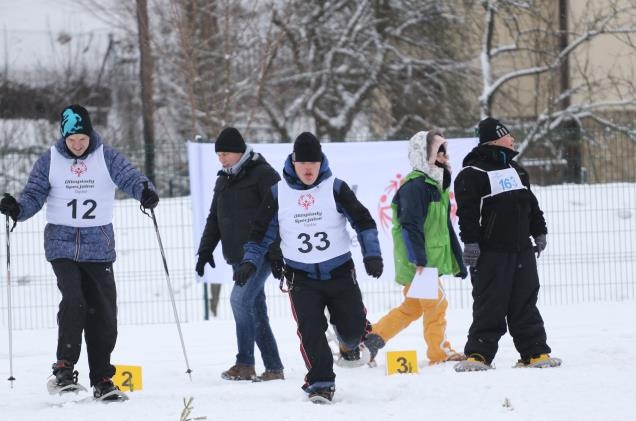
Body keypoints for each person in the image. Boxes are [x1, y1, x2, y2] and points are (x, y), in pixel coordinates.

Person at [0, 104, 159, 399]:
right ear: (63, 136)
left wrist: (145, 193)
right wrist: (17, 209)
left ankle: (102, 378)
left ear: (90, 134)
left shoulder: (106, 156)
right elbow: (33, 194)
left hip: (98, 246)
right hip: (61, 244)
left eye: (82, 139)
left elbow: (131, 177)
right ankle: (64, 368)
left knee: (104, 313)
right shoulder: (50, 160)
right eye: (71, 140)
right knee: (75, 300)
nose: (77, 145)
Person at [234, 132, 383, 403]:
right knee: (310, 331)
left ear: (321, 162)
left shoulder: (336, 188)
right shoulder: (278, 194)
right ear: (293, 162)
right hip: (301, 279)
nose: (308, 169)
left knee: (352, 331)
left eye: (313, 163)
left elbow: (363, 222)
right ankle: (321, 384)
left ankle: (349, 342)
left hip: (340, 273)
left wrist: (372, 254)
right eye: (303, 163)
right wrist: (249, 261)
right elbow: (259, 235)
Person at [452, 117, 561, 372]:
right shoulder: (472, 173)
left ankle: (534, 353)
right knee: (489, 304)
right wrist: (471, 243)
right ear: (494, 140)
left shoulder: (517, 170)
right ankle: (478, 355)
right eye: (507, 135)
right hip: (490, 253)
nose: (512, 139)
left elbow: (531, 205)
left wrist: (539, 232)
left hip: (522, 250)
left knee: (525, 303)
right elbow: (467, 214)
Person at [364, 130, 467, 365]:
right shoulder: (415, 187)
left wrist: (458, 261)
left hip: (425, 261)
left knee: (412, 308)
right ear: (424, 154)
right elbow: (410, 225)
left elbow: (445, 228)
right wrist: (419, 259)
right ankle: (440, 353)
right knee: (437, 305)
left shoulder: (435, 186)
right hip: (419, 262)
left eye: (445, 151)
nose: (444, 156)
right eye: (438, 151)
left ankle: (373, 338)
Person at [195, 127, 285, 381]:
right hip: (237, 257)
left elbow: (279, 215)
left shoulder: (263, 174)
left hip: (260, 254)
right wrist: (204, 251)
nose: (221, 159)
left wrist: (276, 254)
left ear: (239, 152)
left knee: (240, 301)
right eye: (218, 155)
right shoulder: (223, 179)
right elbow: (214, 218)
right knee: (255, 310)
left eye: (225, 154)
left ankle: (245, 362)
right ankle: (273, 368)